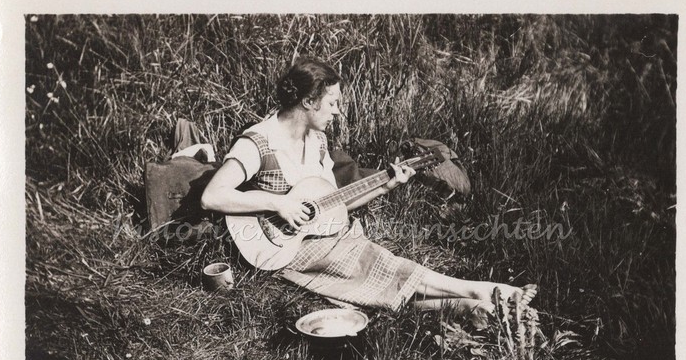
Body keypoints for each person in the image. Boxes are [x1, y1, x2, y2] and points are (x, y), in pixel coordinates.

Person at [200, 57, 536, 318]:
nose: (337, 111)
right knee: (375, 260)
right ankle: (480, 290)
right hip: (278, 247)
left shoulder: (317, 141)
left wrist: (386, 185)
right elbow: (212, 196)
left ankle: (463, 307)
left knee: (364, 288)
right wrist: (278, 204)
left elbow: (331, 207)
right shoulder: (259, 142)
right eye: (331, 103)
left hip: (320, 237)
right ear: (309, 101)